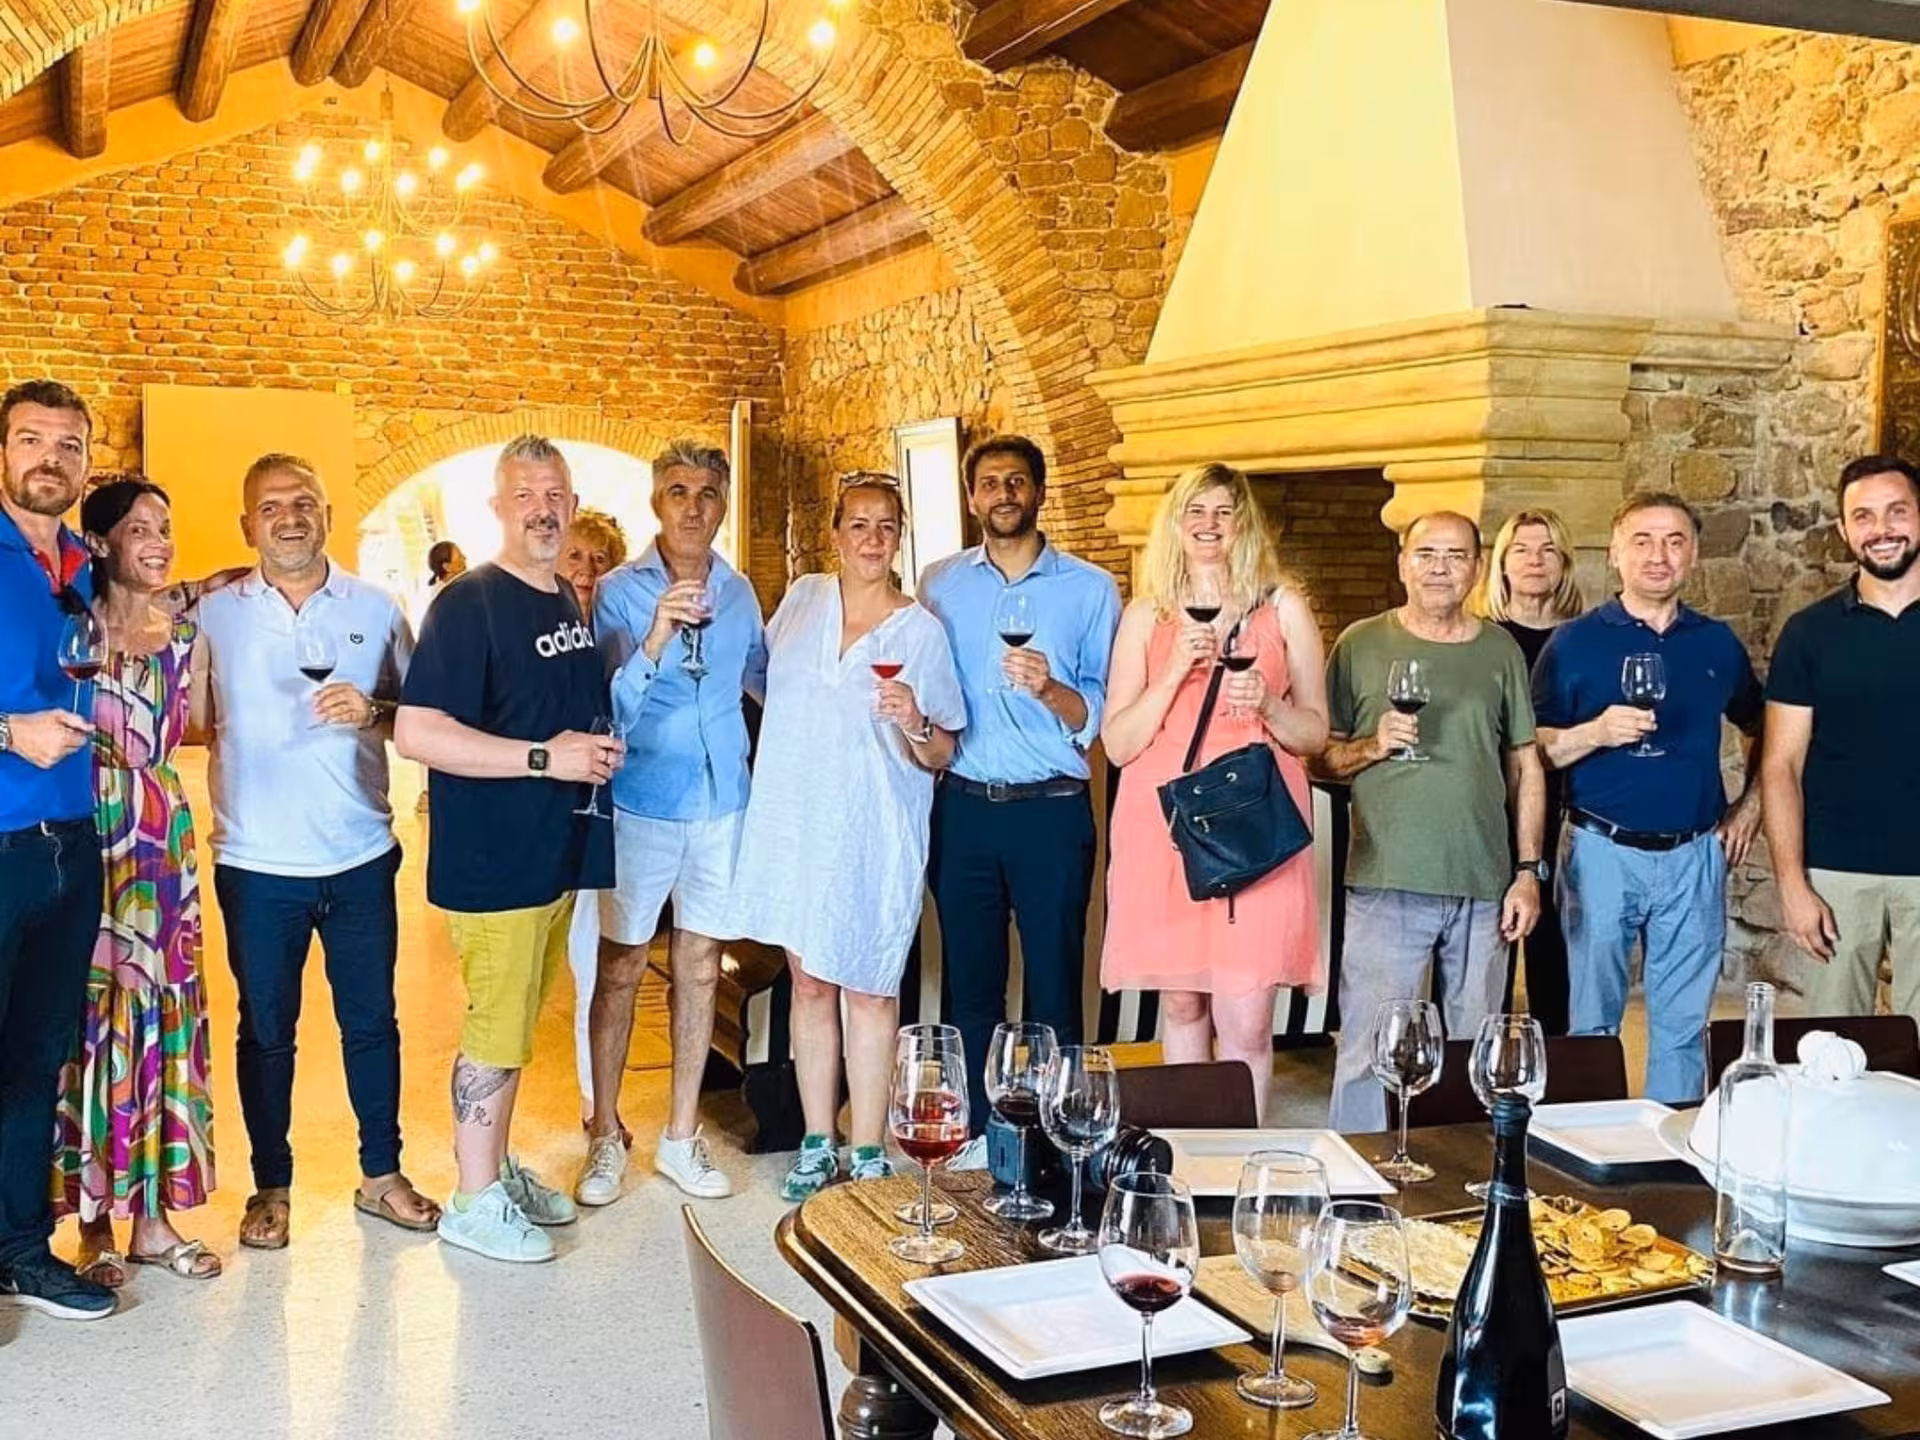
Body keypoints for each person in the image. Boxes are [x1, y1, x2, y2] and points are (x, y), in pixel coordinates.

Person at [195, 453, 439, 1250]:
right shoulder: (216, 613)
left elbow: (419, 717)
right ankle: (271, 1186)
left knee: (373, 1023)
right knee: (266, 1031)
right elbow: (188, 715)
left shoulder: (376, 606)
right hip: (257, 863)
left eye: (304, 502)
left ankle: (381, 1174)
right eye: (270, 508)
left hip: (362, 853)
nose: (289, 517)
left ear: (328, 515)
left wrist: (373, 709)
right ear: (247, 527)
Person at [396, 435, 619, 1263]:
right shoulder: (469, 602)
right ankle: (473, 1196)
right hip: (494, 861)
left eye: (555, 492)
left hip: (552, 852)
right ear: (497, 507)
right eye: (525, 494)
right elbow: (418, 731)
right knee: (496, 1023)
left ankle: (495, 1165)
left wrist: (587, 750)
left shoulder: (561, 593)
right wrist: (543, 758)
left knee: (520, 1020)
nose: (543, 507)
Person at [721, 474, 964, 1201]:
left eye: (885, 526)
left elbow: (944, 748)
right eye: (857, 525)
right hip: (799, 822)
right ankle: (817, 1140)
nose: (871, 539)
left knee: (869, 987)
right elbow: (766, 683)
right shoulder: (801, 602)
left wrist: (914, 717)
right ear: (834, 533)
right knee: (809, 982)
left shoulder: (920, 632)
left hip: (873, 830)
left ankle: (868, 1147)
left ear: (900, 536)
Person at [1099, 463, 1326, 1121]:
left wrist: (1272, 710)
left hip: (1255, 829)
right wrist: (1173, 673)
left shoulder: (1283, 608)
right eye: (1195, 511)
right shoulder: (1147, 616)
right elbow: (1118, 743)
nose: (1208, 525)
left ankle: (1242, 1156)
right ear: (1175, 522)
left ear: (1243, 523)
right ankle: (1189, 1152)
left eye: (1223, 511)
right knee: (1180, 1002)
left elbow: (1315, 732)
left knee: (1247, 1014)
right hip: (1164, 829)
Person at [920, 435, 1120, 1151]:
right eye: (989, 483)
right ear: (972, 497)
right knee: (971, 987)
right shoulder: (939, 584)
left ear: (1039, 491)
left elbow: (1098, 704)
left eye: (1017, 481)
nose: (1003, 494)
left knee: (1055, 988)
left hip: (1053, 810)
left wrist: (1051, 688)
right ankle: (980, 1134)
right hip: (966, 804)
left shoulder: (1090, 589)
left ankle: (1058, 1135)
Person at [1533, 491, 1763, 1103]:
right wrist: (1596, 732)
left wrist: (1749, 808)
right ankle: (1588, 1157)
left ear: (1692, 555)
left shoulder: (1716, 644)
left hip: (1694, 854)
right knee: (1592, 1026)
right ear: (1614, 553)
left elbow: (1765, 725)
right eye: (1642, 540)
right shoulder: (1573, 643)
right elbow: (1533, 750)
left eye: (1674, 541)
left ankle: (1670, 1163)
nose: (1658, 556)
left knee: (1684, 1030)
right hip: (1600, 850)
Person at [1320, 511, 1545, 1132]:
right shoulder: (1360, 644)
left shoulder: (1499, 650)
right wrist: (1372, 745)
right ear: (1403, 564)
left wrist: (1528, 871)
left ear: (1477, 567)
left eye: (1455, 555)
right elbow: (1325, 755)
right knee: (1368, 1047)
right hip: (1386, 878)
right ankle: (1356, 1183)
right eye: (1426, 554)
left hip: (1484, 885)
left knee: (1477, 1053)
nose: (1440, 567)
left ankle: (1464, 1178)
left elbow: (1525, 765)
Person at [584, 444, 763, 1206]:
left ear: (723, 505)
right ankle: (603, 1135)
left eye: (709, 493)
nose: (694, 506)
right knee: (621, 966)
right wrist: (656, 636)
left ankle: (682, 1136)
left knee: (699, 964)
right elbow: (608, 708)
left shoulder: (742, 591)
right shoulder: (621, 594)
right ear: (656, 504)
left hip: (723, 802)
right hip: (642, 800)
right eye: (678, 492)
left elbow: (764, 680)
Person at [55, 478, 219, 1286]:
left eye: (166, 524)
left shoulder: (184, 633)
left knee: (162, 1011)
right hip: (87, 821)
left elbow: (188, 727)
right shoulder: (67, 626)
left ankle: (154, 1216)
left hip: (162, 832)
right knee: (93, 1015)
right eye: (139, 527)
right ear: (103, 541)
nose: (158, 538)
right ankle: (91, 1226)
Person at [0, 380, 116, 1320]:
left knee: (38, 1056)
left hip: (70, 847)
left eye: (69, 445)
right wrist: (8, 732)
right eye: (31, 439)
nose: (51, 457)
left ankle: (20, 1253)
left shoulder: (82, 560)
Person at [1762, 456, 1920, 1023]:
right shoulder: (1810, 633)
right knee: (1835, 1053)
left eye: (1896, 511)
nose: (1882, 529)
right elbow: (1779, 766)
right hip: (1836, 876)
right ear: (1845, 530)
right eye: (1864, 516)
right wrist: (1791, 885)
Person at [1478, 509, 1586, 1035]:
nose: (1534, 560)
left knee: (1556, 956)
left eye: (1547, 549)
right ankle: (1483, 1073)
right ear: (1501, 565)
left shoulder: (1583, 640)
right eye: (1520, 549)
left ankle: (1556, 1079)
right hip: (1492, 810)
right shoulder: (1481, 640)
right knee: (1487, 955)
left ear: (1564, 564)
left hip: (1569, 809)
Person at [555, 507, 629, 1134]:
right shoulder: (537, 627)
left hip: (608, 812)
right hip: (544, 810)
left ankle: (591, 1098)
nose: (586, 569)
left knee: (593, 955)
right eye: (575, 556)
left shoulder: (617, 633)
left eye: (600, 559)